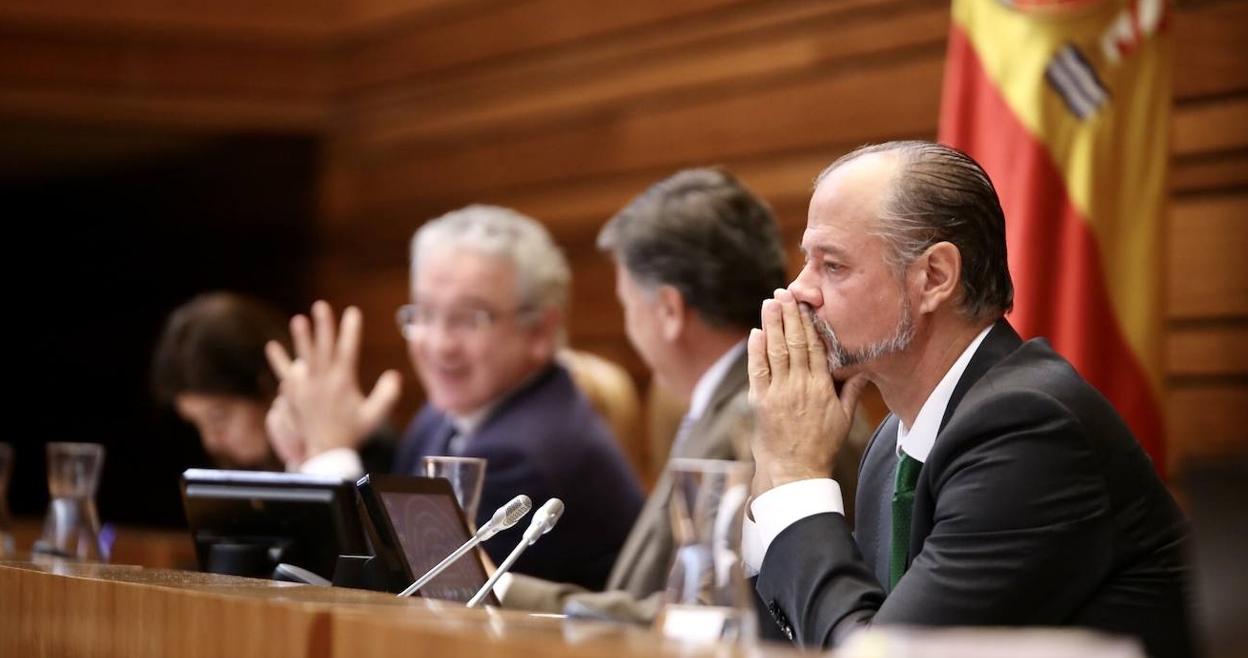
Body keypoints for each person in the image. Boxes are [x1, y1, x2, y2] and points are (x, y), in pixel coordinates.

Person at [745, 141, 1193, 657]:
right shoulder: (895, 440)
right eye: (807, 261)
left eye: (833, 266)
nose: (798, 291)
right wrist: (772, 478)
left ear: (934, 277)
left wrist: (798, 478)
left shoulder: (1030, 429)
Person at [501, 168, 870, 622]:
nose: (629, 324)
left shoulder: (766, 414)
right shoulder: (732, 402)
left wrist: (502, 589)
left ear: (669, 311)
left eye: (627, 305)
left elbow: (714, 613)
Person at [265, 205, 644, 591]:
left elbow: (414, 594)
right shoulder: (444, 415)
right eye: (424, 315)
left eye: (470, 317)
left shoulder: (526, 453)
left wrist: (328, 453)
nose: (441, 345)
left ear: (540, 332)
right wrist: (308, 454)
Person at [151, 292, 393, 472]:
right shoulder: (241, 470)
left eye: (218, 417)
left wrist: (329, 454)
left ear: (266, 386)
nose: (211, 441)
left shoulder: (366, 450)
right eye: (197, 424)